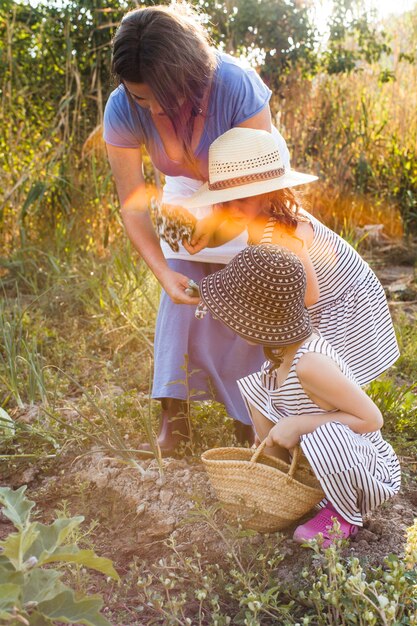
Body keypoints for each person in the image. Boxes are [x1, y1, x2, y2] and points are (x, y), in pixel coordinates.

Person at [103, 3, 291, 453]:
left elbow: (259, 190)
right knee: (183, 272)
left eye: (153, 97)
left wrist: (221, 232)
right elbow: (133, 207)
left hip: (250, 182)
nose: (143, 107)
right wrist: (165, 272)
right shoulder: (124, 106)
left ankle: (250, 413)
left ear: (185, 78)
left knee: (248, 278)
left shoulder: (235, 85)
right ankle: (174, 411)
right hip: (188, 186)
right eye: (136, 96)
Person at [197, 244, 401, 545]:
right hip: (323, 467)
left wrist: (300, 425)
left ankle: (343, 516)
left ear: (260, 318)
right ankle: (287, 485)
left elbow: (371, 419)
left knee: (326, 434)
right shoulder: (279, 358)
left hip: (364, 468)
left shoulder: (310, 364)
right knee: (256, 388)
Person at [182, 127, 400, 386]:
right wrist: (211, 224)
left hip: (340, 303)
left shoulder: (282, 233)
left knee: (324, 383)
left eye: (242, 198)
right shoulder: (259, 215)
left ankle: (339, 422)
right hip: (320, 302)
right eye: (225, 200)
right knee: (302, 378)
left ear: (268, 192)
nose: (233, 208)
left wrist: (254, 311)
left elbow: (309, 295)